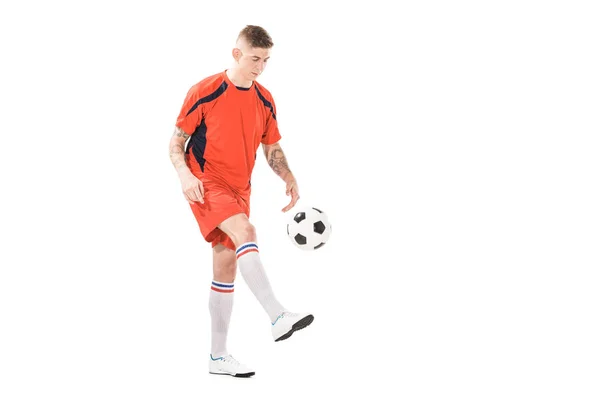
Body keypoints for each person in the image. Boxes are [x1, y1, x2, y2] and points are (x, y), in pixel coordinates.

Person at [168, 25, 313, 378]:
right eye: (254, 58)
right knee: (246, 230)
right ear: (236, 54)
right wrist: (185, 177)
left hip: (240, 189)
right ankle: (278, 315)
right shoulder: (206, 90)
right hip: (205, 182)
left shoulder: (264, 98)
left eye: (266, 60)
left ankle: (218, 358)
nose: (260, 66)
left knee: (226, 266)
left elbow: (271, 146)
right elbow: (176, 142)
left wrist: (289, 177)